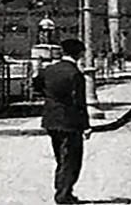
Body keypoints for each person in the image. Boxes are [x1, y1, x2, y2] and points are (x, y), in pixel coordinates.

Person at [34, 38, 91, 205]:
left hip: (51, 119)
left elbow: (36, 84)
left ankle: (64, 191)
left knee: (61, 158)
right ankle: (63, 196)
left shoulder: (49, 70)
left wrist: (51, 97)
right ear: (80, 53)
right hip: (70, 122)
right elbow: (79, 102)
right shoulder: (75, 74)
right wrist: (86, 126)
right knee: (71, 160)